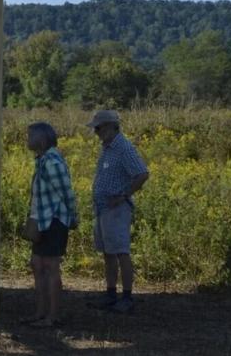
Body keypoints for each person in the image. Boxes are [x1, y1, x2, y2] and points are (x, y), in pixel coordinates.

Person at [87, 110, 149, 313]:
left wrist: (123, 195)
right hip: (103, 209)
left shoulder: (123, 147)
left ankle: (127, 297)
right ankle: (111, 293)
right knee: (108, 253)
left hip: (117, 210)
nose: (96, 132)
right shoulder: (108, 147)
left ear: (110, 126)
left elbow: (141, 173)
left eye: (98, 128)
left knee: (122, 252)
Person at [21, 122, 78, 328]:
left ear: (42, 138)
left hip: (54, 221)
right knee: (37, 264)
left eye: (31, 135)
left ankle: (52, 316)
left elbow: (67, 193)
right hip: (42, 221)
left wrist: (72, 217)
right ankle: (40, 312)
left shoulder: (52, 162)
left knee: (50, 267)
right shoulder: (43, 160)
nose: (27, 139)